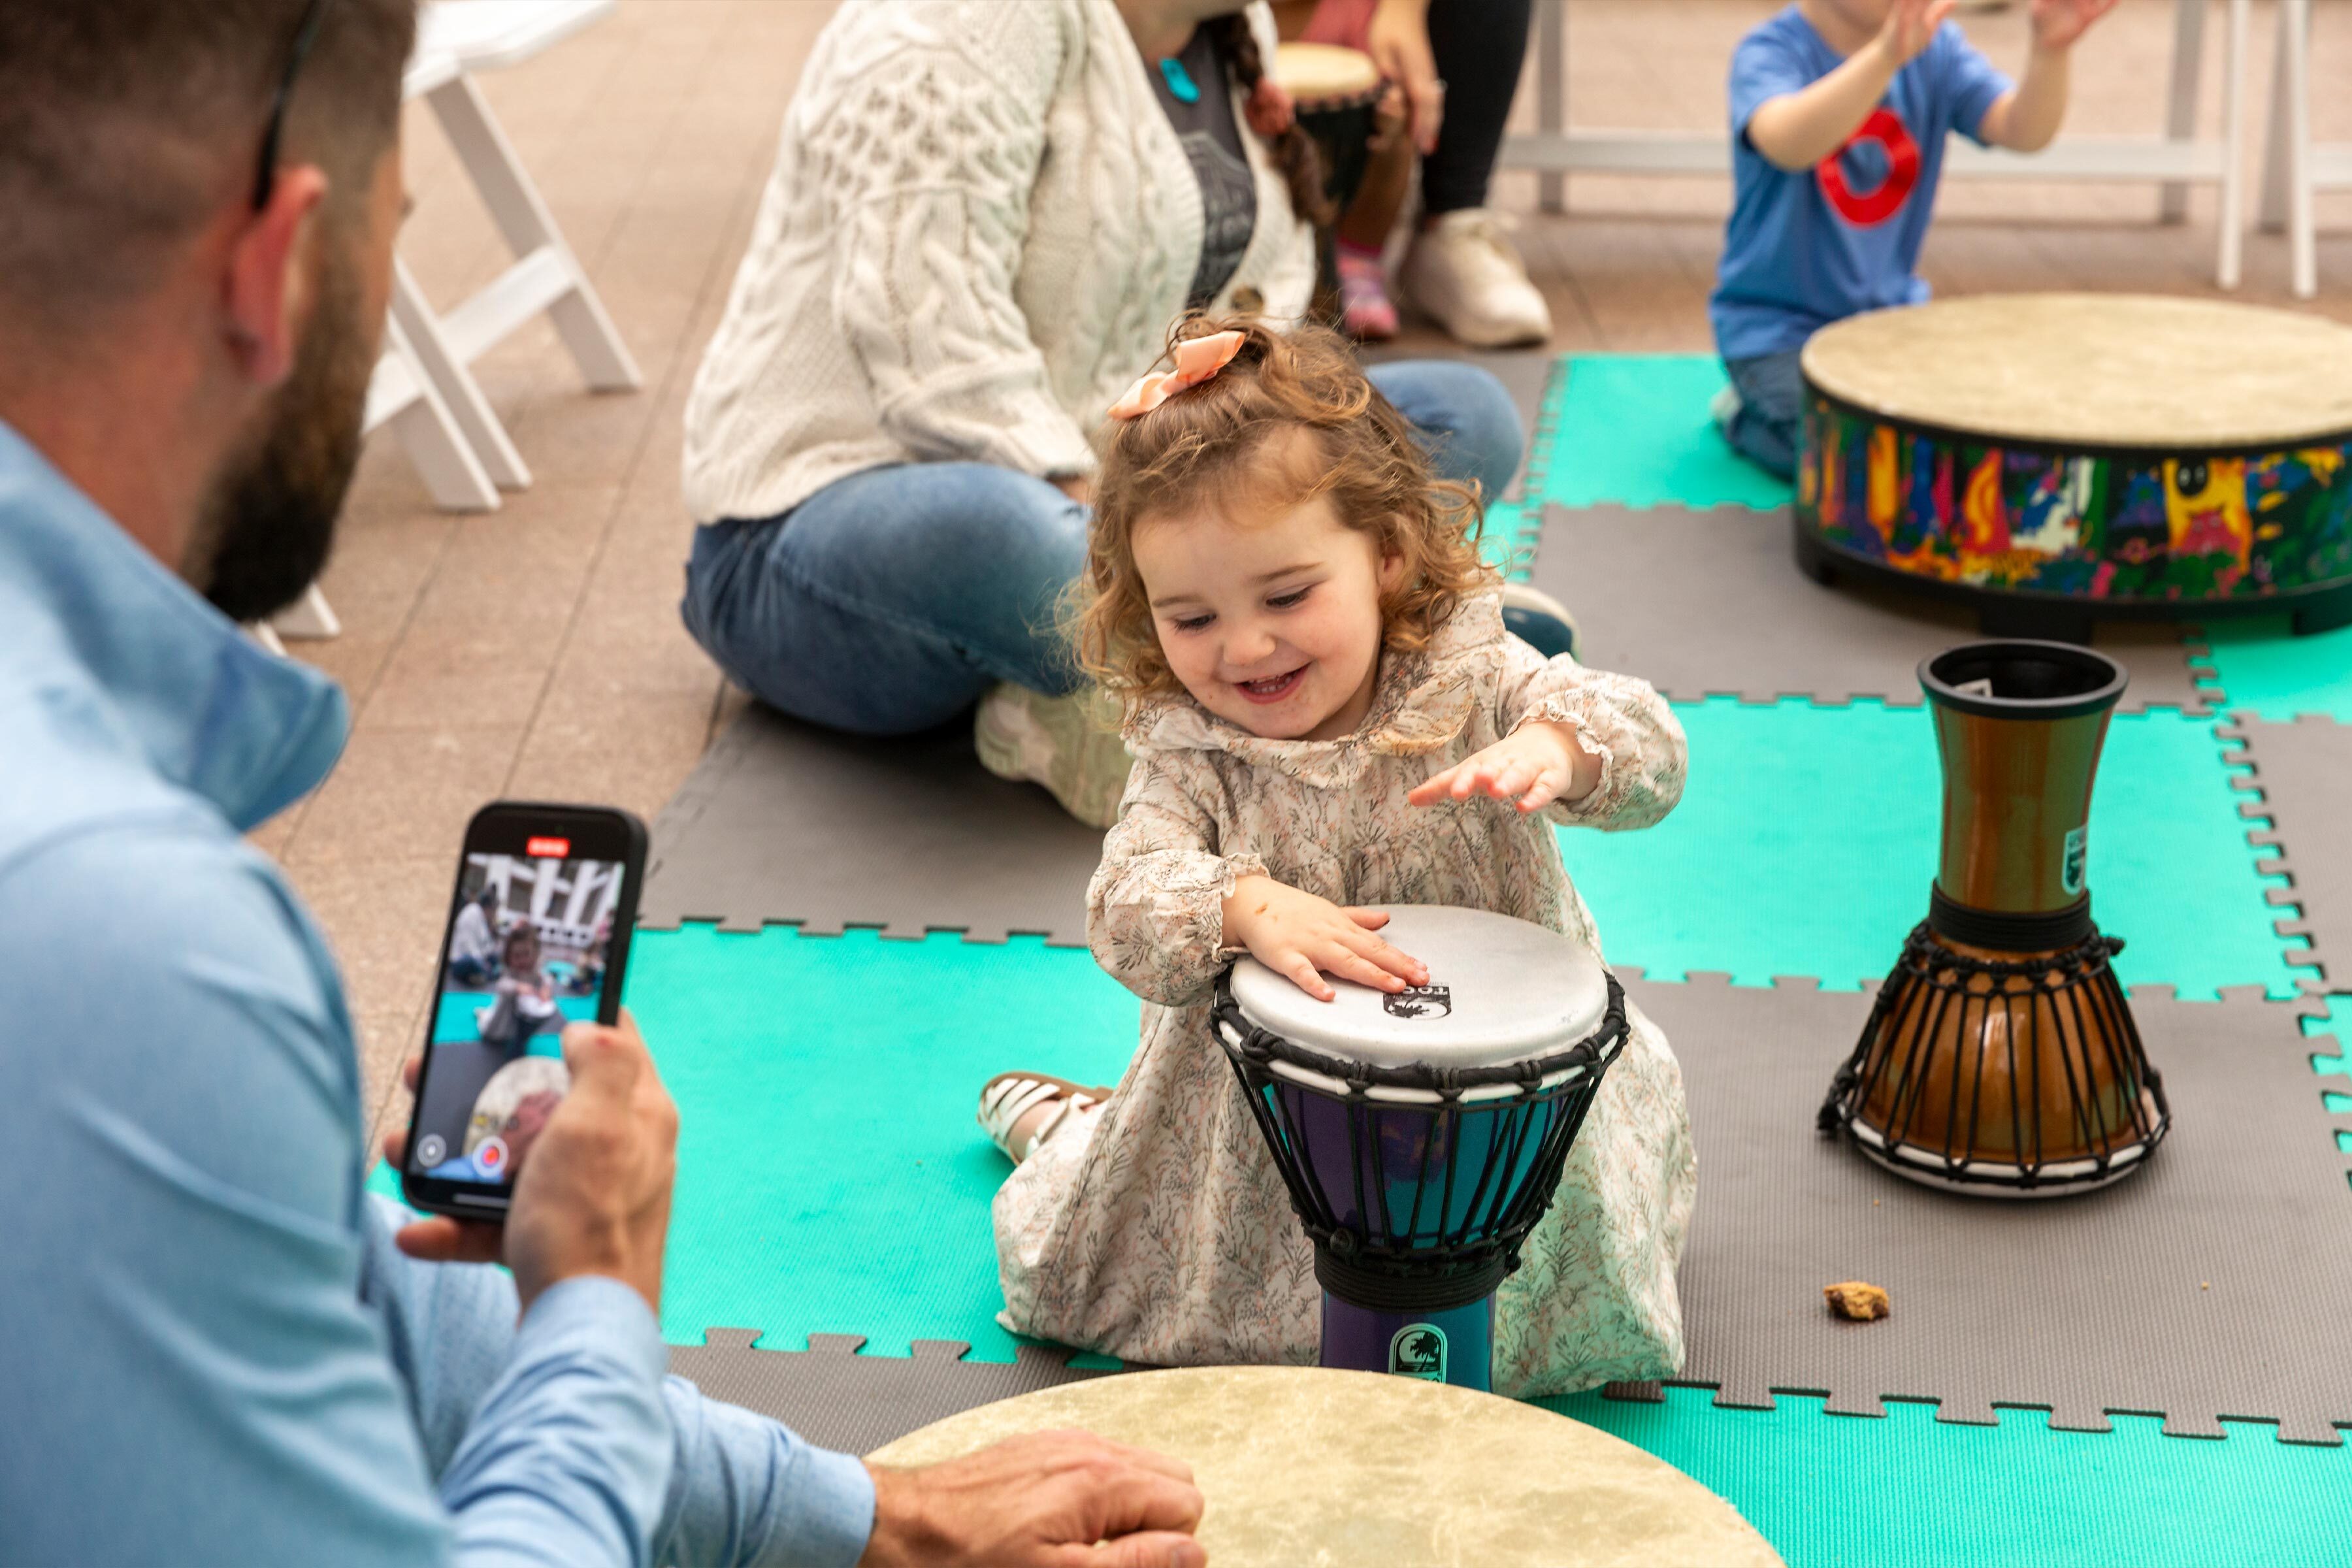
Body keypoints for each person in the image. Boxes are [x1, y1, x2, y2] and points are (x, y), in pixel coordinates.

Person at [0, 2, 1208, 1563]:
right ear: (276, 265)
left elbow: (336, 1299)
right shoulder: (108, 933)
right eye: (395, 239)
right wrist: (591, 1299)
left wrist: (866, 1513)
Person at [978, 319, 1696, 1396]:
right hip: (1270, 1130)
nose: (1246, 648)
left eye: (1286, 596)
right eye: (1190, 617)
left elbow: (1651, 747)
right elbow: (1124, 904)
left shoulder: (1466, 674)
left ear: (1388, 555)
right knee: (1152, 1292)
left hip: (1492, 1107)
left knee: (1543, 1333)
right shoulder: (1193, 749)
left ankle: (1081, 1122)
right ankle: (1078, 1128)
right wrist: (1241, 903)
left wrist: (1560, 746)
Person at [679, 0, 1573, 828]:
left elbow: (1266, 326)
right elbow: (933, 349)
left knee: (1463, 415)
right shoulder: (954, 23)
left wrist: (1260, 470)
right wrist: (1148, 536)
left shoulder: (1228, 24)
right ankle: (1378, 658)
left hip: (1138, 507)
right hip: (832, 527)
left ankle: (1138, 687)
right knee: (1012, 538)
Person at [1709, 0, 2119, 477]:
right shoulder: (1770, 53)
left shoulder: (1936, 51)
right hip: (1778, 335)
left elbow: (2020, 130)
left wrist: (2051, 53)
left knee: (1984, 436)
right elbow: (1789, 143)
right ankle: (1744, 415)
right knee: (1861, 470)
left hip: (1890, 328)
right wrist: (1884, 58)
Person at [448, 887, 501, 986]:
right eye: (494, 911)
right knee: (473, 962)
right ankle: (484, 975)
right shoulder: (472, 913)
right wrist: (484, 964)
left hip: (477, 957)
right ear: (489, 908)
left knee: (494, 958)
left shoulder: (482, 918)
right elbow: (469, 946)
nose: (494, 915)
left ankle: (481, 975)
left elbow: (486, 945)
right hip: (461, 959)